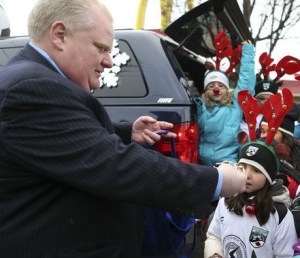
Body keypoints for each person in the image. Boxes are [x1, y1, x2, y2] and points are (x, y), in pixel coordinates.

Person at [0, 0, 247, 257]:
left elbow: (64, 141)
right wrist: (216, 180)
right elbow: (114, 164)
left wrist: (125, 133)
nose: (109, 62)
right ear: (60, 35)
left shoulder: (34, 80)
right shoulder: (31, 88)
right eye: (101, 48)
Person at [204, 140, 298, 258]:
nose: (247, 175)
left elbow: (285, 255)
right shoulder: (226, 201)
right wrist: (215, 254)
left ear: (269, 178)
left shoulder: (280, 214)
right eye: (243, 167)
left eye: (257, 170)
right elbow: (214, 236)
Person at [194, 38, 255, 166]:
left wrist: (248, 53)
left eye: (221, 86)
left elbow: (246, 82)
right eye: (211, 86)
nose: (216, 89)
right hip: (201, 162)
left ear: (227, 88)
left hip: (228, 162)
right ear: (205, 90)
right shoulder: (200, 106)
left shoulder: (235, 104)